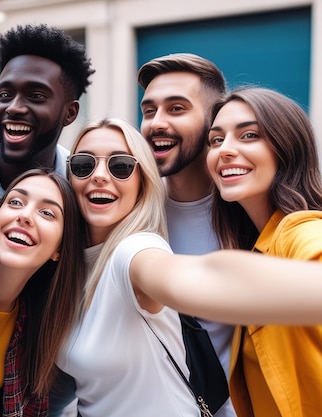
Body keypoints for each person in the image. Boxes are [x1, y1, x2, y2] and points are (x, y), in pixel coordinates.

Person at [51, 117, 322, 417]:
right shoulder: (67, 269)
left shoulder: (133, 252)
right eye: (83, 165)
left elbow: (198, 278)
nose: (100, 176)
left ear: (143, 182)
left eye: (121, 166)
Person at [206, 87, 322, 417]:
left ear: (287, 147)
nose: (225, 150)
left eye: (249, 135)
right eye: (216, 140)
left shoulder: (300, 230)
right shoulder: (258, 246)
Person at [137, 53, 235, 416]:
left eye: (176, 109)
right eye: (149, 111)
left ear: (213, 121)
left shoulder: (250, 212)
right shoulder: (130, 213)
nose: (156, 123)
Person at [0, 168, 86, 416]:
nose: (25, 216)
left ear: (59, 249)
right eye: (15, 202)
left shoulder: (36, 327)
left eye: (47, 213)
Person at [0, 23, 95, 256]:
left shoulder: (80, 185)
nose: (14, 107)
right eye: (5, 95)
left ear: (70, 113)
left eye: (35, 96)